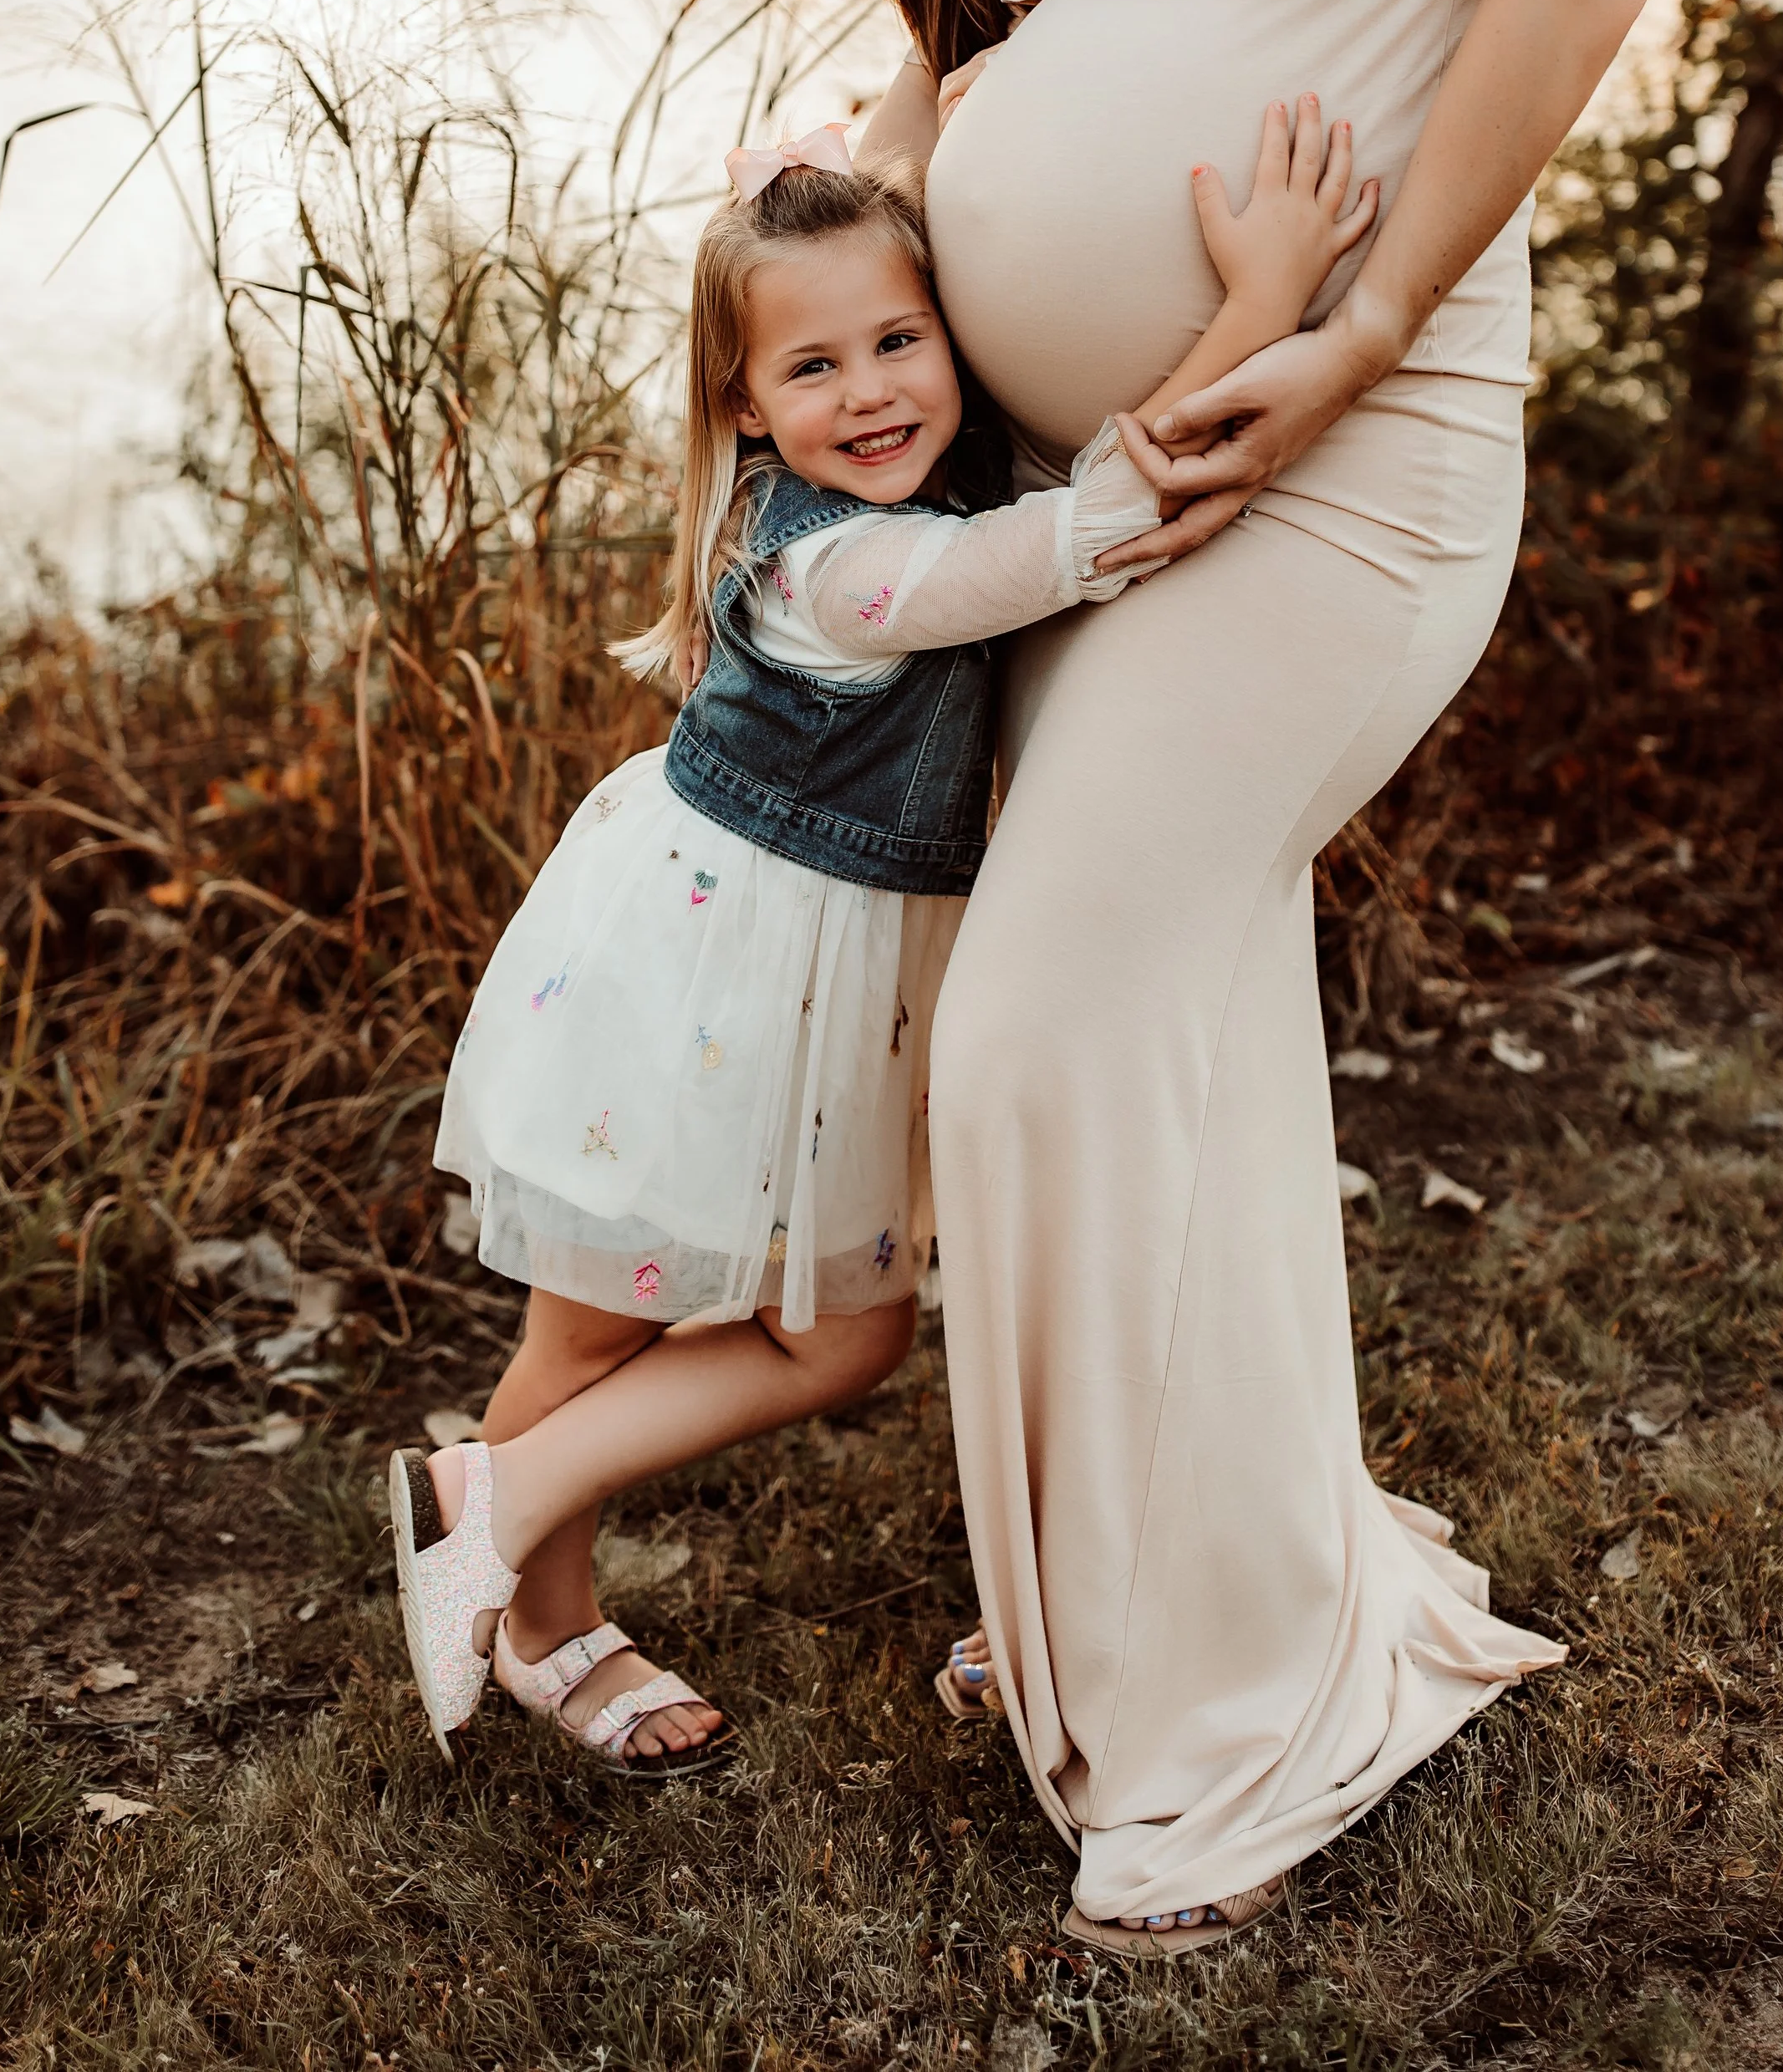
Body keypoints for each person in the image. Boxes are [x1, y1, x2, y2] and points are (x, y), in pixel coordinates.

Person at [838, 0, 1694, 1953]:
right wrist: (861, 264)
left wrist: (1342, 334)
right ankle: (1159, 1602)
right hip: (1104, 498)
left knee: (1050, 1032)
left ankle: (1221, 1717)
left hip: (1353, 450)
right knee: (1144, 1026)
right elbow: (991, 63)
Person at [392, 103, 1376, 1776]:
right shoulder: (842, 571)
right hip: (703, 964)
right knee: (591, 1332)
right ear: (746, 410)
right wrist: (1261, 303)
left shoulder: (919, 473)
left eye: (900, 341)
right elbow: (1094, 531)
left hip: (814, 973)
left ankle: (496, 1506)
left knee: (839, 1333)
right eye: (813, 369)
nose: (869, 394)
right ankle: (539, 1606)